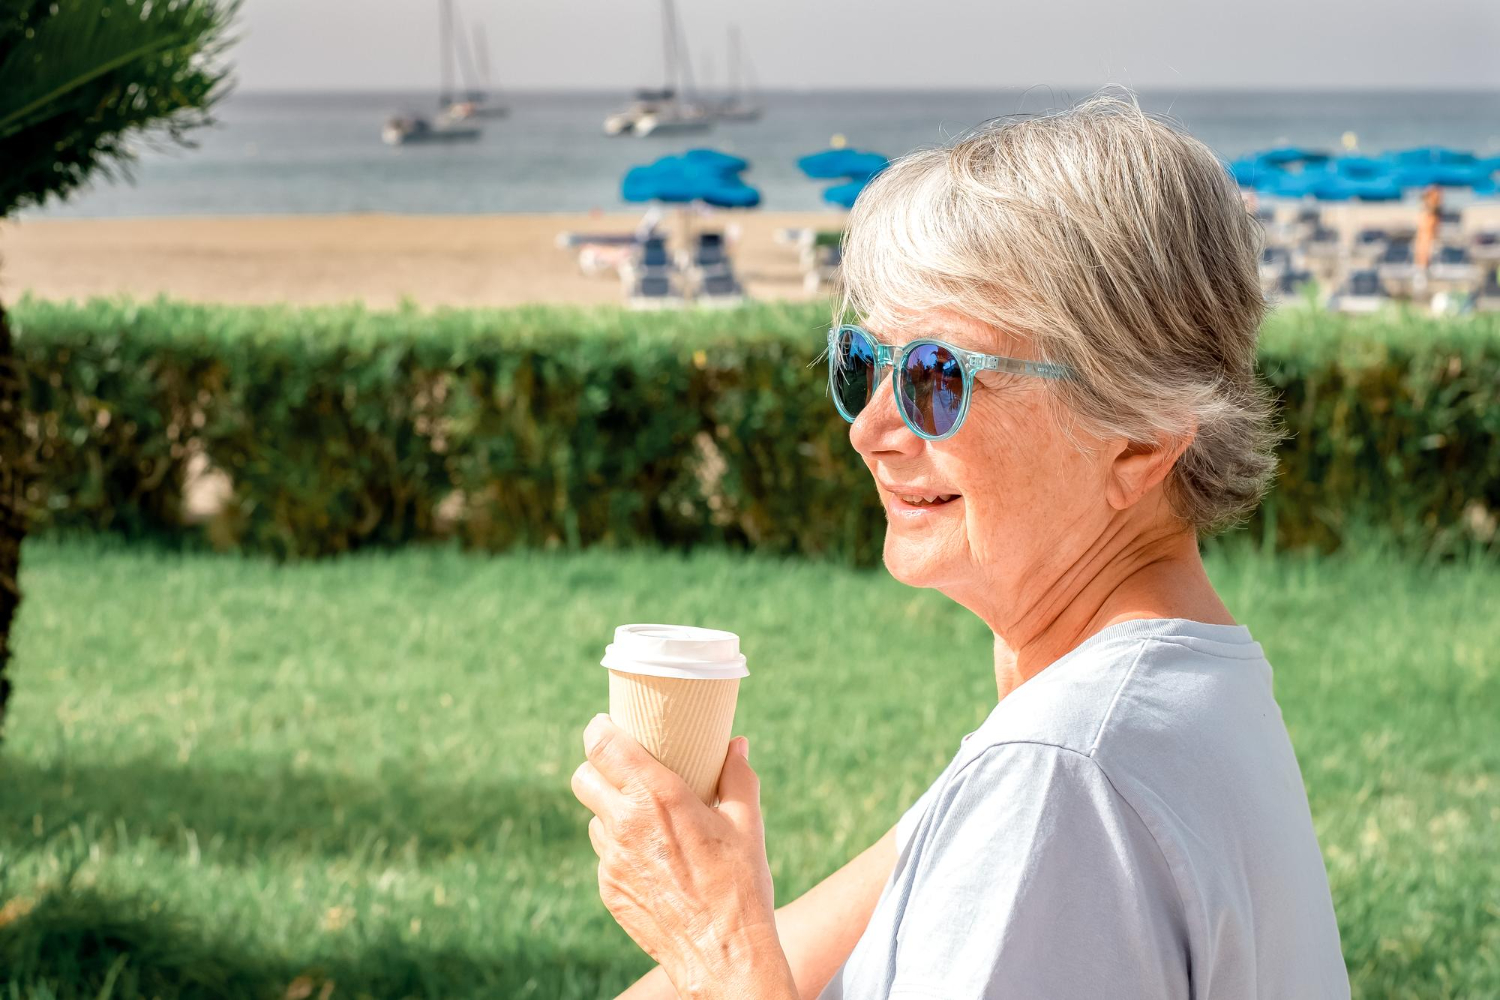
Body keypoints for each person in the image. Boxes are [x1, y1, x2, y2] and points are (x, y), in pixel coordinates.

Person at [572, 90, 1349, 999]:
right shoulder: (1153, 705)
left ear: (1138, 439)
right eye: (865, 363)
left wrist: (718, 948)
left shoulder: (1065, 778)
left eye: (939, 377)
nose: (870, 429)